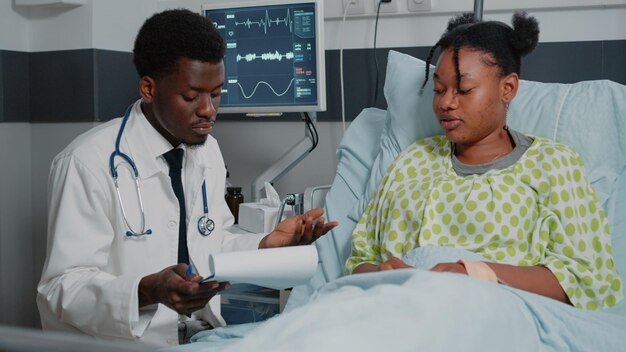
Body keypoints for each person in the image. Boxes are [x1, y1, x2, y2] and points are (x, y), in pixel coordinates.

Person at [37, 9, 337, 347]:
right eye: (191, 96)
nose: (209, 110)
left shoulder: (206, 150)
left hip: (200, 335)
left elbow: (213, 243)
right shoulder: (86, 163)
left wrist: (267, 245)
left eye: (217, 93)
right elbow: (62, 288)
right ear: (149, 88)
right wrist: (148, 290)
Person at [346, 12, 623, 310]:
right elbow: (360, 261)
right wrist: (381, 275)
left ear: (508, 89)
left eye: (464, 90)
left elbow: (585, 279)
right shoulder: (412, 161)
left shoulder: (553, 165)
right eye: (439, 89)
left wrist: (473, 273)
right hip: (391, 309)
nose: (446, 102)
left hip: (495, 314)